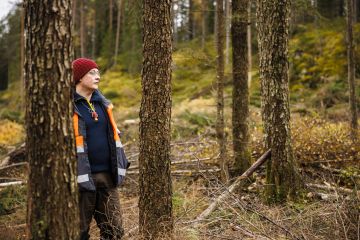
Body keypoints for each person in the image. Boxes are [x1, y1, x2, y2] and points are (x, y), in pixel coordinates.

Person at [72, 58, 129, 240]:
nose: (98, 76)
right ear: (79, 77)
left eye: (98, 72)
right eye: (92, 72)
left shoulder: (103, 104)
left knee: (114, 231)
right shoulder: (67, 105)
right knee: (77, 233)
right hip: (79, 179)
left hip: (106, 177)